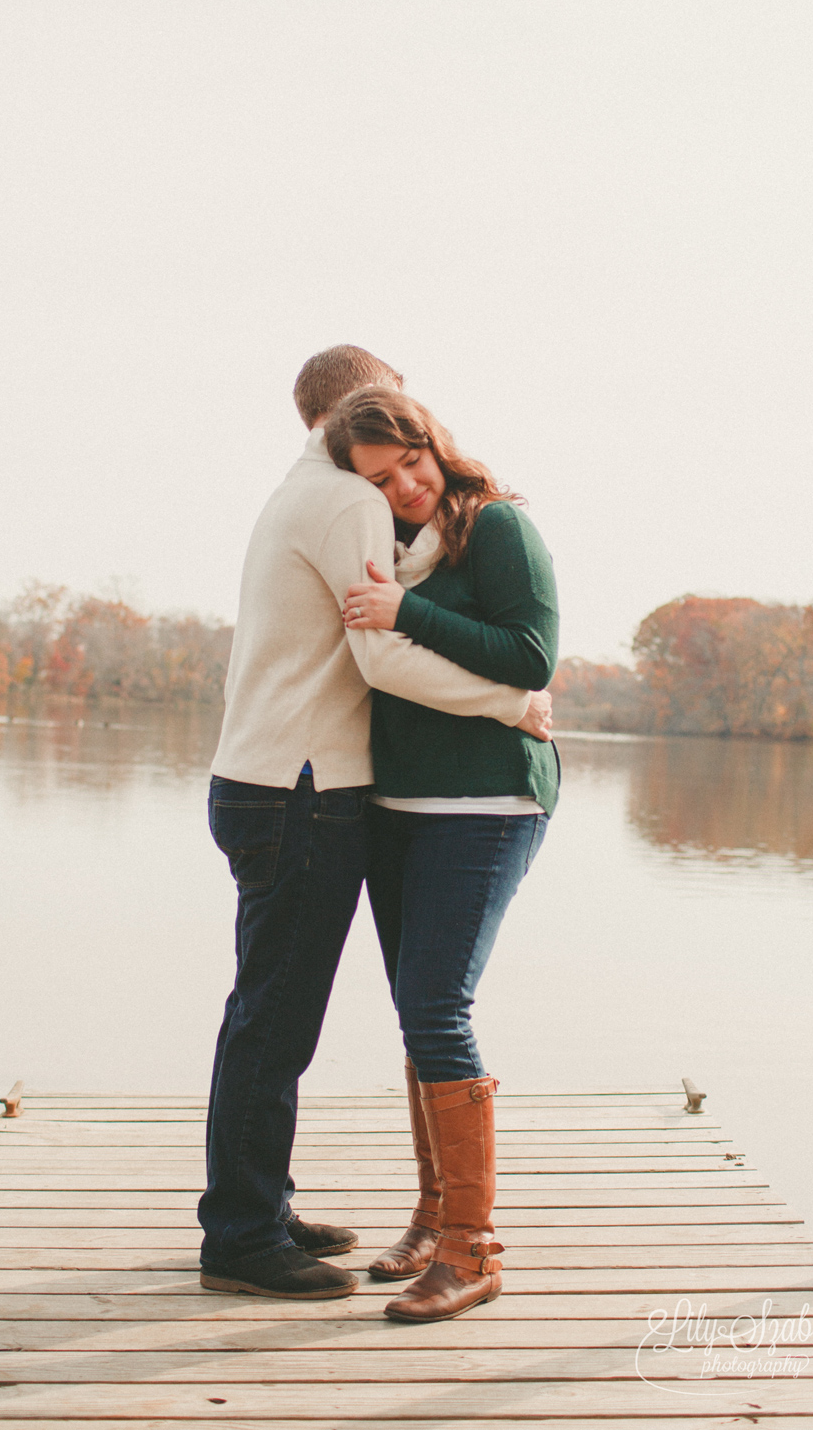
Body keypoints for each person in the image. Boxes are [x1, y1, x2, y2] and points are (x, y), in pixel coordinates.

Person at [199, 345, 552, 1301]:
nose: (399, 474)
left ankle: (259, 1207)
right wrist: (511, 704)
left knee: (272, 1013)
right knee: (275, 1022)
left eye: (410, 454)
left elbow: (502, 632)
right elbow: (383, 659)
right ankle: (241, 1232)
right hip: (303, 789)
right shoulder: (350, 503)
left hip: (270, 780)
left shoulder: (298, 490)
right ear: (356, 412)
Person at [324, 384, 559, 1322]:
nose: (406, 484)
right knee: (413, 1009)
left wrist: (406, 613)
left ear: (435, 444)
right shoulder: (378, 548)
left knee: (436, 1005)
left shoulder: (496, 527)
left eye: (411, 460)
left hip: (491, 797)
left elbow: (529, 656)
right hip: (396, 804)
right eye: (380, 479)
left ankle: (475, 1247)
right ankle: (431, 1215)